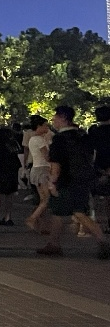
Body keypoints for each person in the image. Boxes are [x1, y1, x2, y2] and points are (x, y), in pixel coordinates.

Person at [36, 106, 110, 258]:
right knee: (61, 212)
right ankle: (53, 244)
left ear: (63, 118)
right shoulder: (82, 136)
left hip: (66, 180)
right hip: (83, 179)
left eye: (56, 116)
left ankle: (103, 242)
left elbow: (56, 163)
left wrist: (52, 182)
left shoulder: (60, 139)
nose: (53, 119)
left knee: (76, 212)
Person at [23, 116, 52, 231]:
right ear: (39, 126)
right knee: (46, 199)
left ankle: (42, 224)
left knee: (43, 199)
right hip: (42, 170)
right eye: (45, 125)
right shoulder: (39, 140)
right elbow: (47, 156)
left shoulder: (33, 139)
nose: (47, 127)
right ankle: (33, 218)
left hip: (36, 169)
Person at [84, 105, 110, 227]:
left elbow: (89, 150)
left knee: (101, 195)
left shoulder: (94, 131)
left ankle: (100, 220)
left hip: (99, 166)